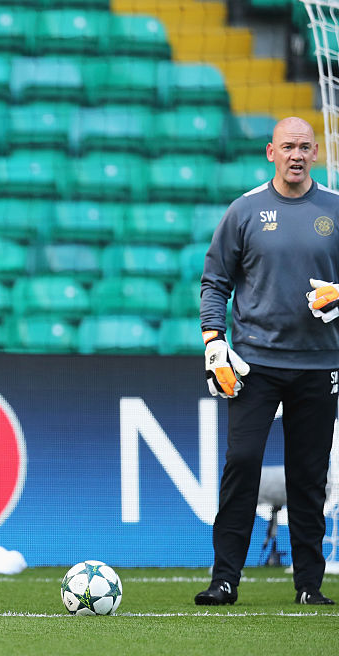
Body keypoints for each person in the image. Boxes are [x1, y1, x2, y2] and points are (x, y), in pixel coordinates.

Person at [197, 116, 338, 607]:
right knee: (241, 464)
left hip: (322, 365)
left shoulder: (336, 210)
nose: (295, 155)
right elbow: (215, 281)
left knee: (309, 475)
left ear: (315, 152)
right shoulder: (245, 211)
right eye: (287, 147)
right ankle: (225, 580)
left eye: (304, 147)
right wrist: (215, 342)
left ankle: (308, 586)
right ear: (270, 152)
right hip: (254, 363)